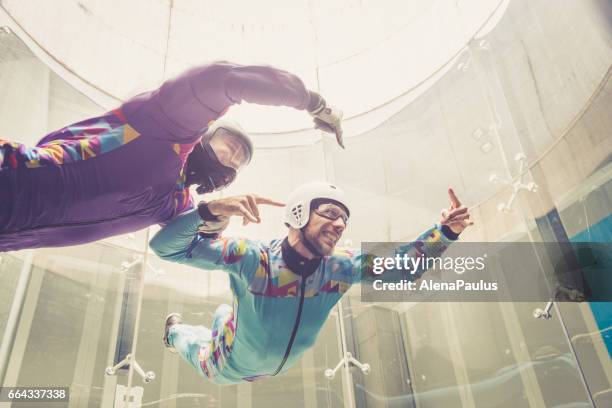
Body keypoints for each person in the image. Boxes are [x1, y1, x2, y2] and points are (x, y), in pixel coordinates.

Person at [150, 181, 473, 384]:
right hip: (231, 365)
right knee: (196, 348)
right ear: (298, 213)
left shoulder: (342, 267)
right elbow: (165, 248)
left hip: (267, 358)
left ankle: (224, 315)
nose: (339, 224)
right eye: (330, 213)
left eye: (344, 219)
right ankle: (174, 332)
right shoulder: (252, 257)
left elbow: (404, 269)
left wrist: (445, 233)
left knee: (226, 315)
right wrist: (208, 210)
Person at [0, 62, 343, 252]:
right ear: (205, 134)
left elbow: (183, 241)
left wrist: (213, 217)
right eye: (230, 145)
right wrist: (312, 102)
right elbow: (220, 80)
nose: (232, 159)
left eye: (238, 161)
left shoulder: (172, 203)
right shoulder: (161, 128)